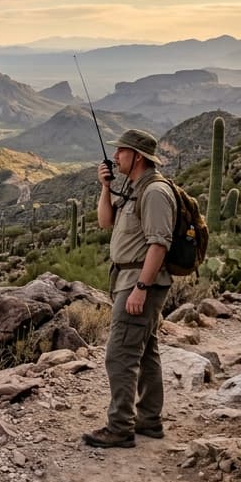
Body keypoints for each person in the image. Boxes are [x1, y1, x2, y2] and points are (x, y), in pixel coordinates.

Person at [83, 129, 175, 449]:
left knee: (119, 354)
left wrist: (140, 288)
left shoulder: (155, 192)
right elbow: (105, 222)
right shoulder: (135, 188)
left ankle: (120, 426)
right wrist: (105, 187)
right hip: (128, 280)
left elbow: (159, 244)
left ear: (137, 156)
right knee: (144, 350)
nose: (116, 156)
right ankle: (149, 420)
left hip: (139, 283)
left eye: (121, 151)